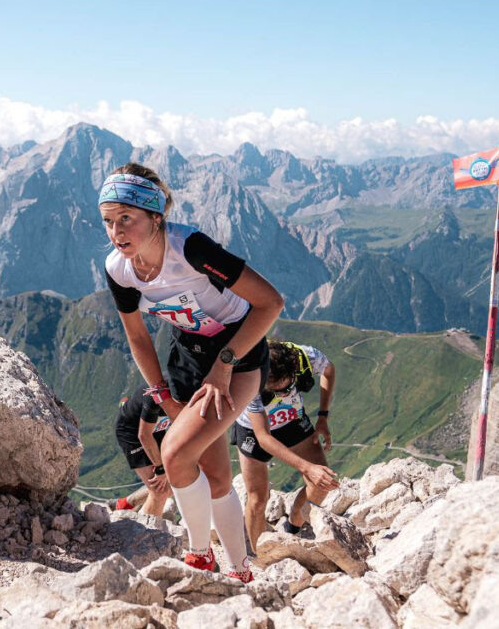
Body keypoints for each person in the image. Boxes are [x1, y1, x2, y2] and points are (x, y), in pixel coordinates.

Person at [99, 162, 284, 582]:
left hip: (238, 353)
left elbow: (270, 302)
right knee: (216, 476)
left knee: (176, 454)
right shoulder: (119, 269)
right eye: (108, 221)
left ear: (156, 217)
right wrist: (160, 391)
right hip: (187, 358)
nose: (116, 232)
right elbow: (138, 337)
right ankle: (240, 569)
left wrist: (225, 364)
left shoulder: (191, 249)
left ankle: (199, 554)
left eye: (127, 219)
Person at [231, 340, 339, 554]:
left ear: (294, 369)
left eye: (287, 388)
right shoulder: (250, 377)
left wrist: (323, 417)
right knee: (258, 500)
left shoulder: (305, 356)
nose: (281, 396)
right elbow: (264, 438)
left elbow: (329, 369)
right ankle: (258, 556)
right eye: (272, 393)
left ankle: (293, 527)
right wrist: (306, 467)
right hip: (253, 429)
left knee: (321, 483)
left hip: (292, 419)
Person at [113, 385, 177, 517]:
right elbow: (143, 435)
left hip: (156, 428)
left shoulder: (192, 389)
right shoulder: (157, 395)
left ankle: (126, 503)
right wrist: (160, 469)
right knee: (160, 490)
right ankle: (147, 534)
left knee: (175, 482)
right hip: (132, 432)